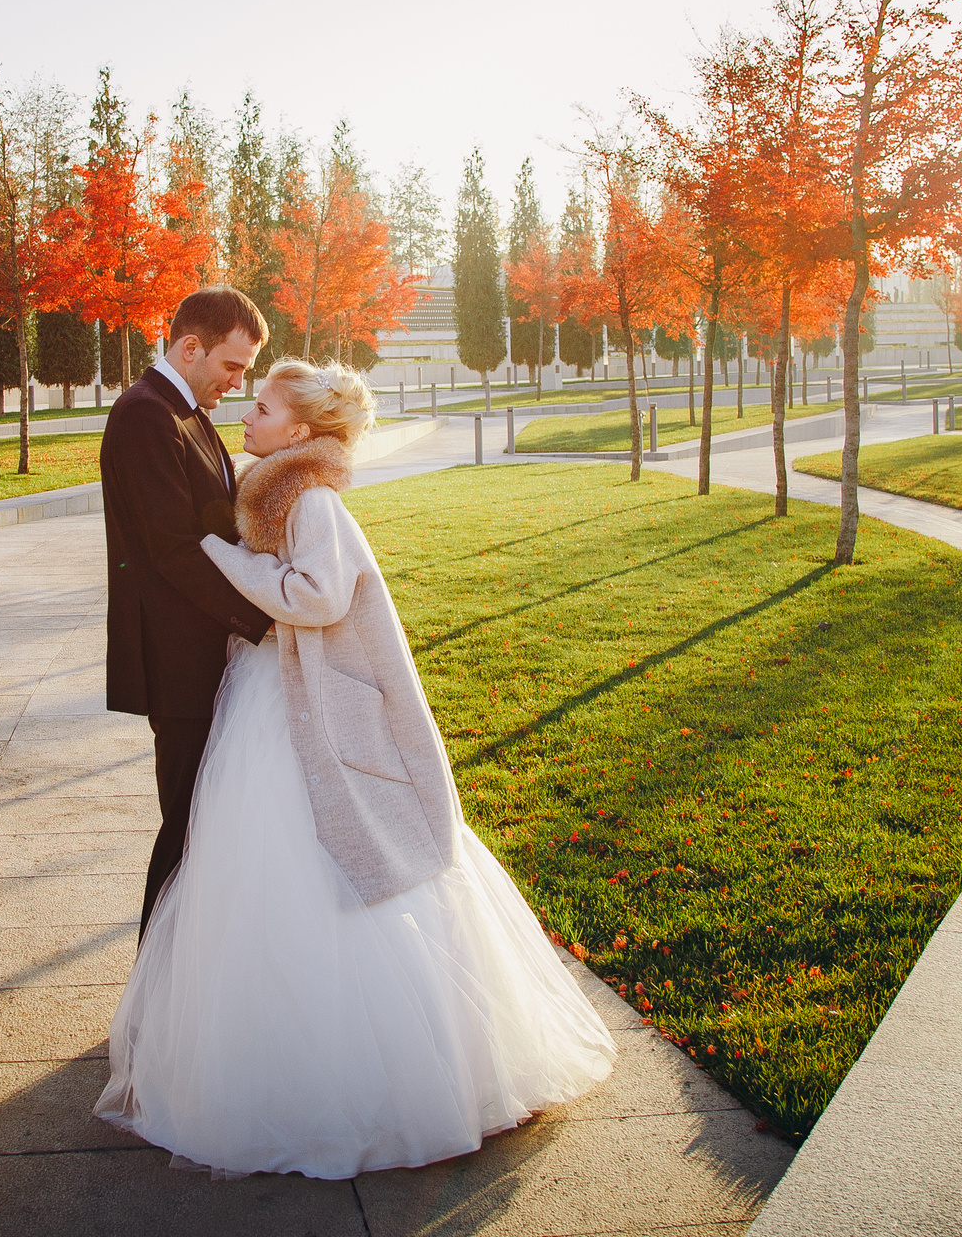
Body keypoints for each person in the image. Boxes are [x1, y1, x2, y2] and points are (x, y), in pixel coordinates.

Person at [95, 357, 615, 1180]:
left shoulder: (311, 501)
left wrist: (223, 559)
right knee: (263, 867)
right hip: (274, 692)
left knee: (324, 856)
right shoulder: (279, 493)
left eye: (263, 407)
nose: (248, 416)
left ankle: (366, 1076)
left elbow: (317, 598)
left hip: (306, 702)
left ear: (298, 431)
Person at [97, 287, 275, 936]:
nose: (237, 382)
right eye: (231, 365)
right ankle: (157, 977)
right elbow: (173, 549)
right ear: (190, 347)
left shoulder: (186, 411)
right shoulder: (145, 416)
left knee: (205, 824)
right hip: (178, 664)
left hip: (205, 654)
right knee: (186, 829)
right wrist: (265, 618)